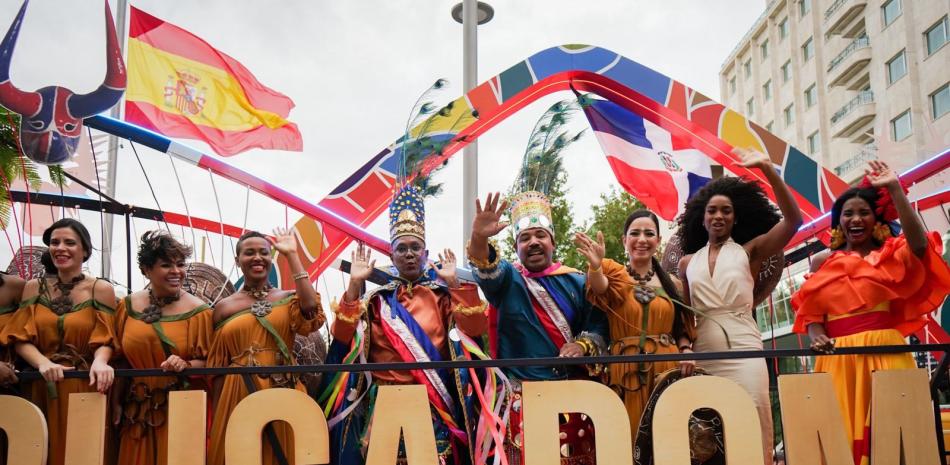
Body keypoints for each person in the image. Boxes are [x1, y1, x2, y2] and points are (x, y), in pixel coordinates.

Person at [791, 161, 950, 465]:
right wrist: (817, 335)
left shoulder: (891, 252)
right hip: (839, 361)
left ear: (875, 218)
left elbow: (920, 247)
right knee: (840, 440)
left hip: (886, 354)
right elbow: (811, 313)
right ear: (839, 222)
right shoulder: (822, 260)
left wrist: (894, 189)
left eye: (864, 212)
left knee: (895, 439)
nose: (856, 218)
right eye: (848, 213)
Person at [325, 184, 487, 464]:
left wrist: (453, 284)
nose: (409, 254)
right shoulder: (376, 300)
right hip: (384, 404)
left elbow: (475, 331)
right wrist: (354, 285)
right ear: (391, 256)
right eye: (402, 248)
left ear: (426, 254)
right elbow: (341, 338)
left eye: (416, 248)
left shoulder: (443, 295)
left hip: (433, 403)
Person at [676, 148, 803, 464]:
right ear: (702, 218)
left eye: (726, 211)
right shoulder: (686, 263)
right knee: (705, 435)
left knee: (752, 420)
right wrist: (684, 347)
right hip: (703, 353)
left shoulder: (752, 251)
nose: (719, 216)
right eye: (712, 210)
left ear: (735, 217)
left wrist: (767, 170)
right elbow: (685, 316)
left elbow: (793, 220)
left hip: (745, 349)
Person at [467, 191, 608, 465]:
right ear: (516, 246)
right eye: (525, 238)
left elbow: (599, 325)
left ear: (552, 241)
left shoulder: (578, 281)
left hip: (569, 397)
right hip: (519, 399)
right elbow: (486, 267)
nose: (533, 242)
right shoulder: (508, 278)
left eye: (540, 236)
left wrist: (582, 345)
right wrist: (479, 238)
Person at [0, 218, 117, 465]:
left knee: (83, 453)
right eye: (55, 242)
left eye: (69, 242)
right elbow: (20, 337)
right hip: (41, 384)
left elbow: (106, 337)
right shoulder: (33, 287)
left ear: (85, 250)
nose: (60, 248)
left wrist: (101, 361)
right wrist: (42, 363)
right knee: (38, 450)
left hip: (85, 382)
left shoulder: (101, 289)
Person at [574, 209, 696, 443]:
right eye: (635, 233)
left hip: (666, 368)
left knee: (669, 440)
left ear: (658, 241)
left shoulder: (673, 284)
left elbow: (681, 327)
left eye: (649, 233)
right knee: (628, 438)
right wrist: (596, 266)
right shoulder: (614, 273)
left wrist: (686, 350)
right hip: (626, 370)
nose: (642, 239)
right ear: (624, 240)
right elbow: (600, 288)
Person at [207, 228, 325, 465]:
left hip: (283, 384)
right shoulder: (224, 307)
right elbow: (218, 366)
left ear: (272, 258)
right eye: (249, 253)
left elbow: (311, 310)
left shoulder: (289, 297)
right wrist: (219, 415)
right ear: (238, 260)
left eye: (264, 252)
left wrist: (292, 255)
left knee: (285, 453)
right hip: (238, 390)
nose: (257, 258)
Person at [108, 231, 213, 465]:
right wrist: (115, 402)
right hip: (136, 409)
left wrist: (185, 364)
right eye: (166, 265)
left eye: (180, 264)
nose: (176, 271)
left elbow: (212, 364)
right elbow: (121, 359)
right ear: (146, 269)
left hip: (181, 406)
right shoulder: (127, 306)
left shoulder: (200, 312)